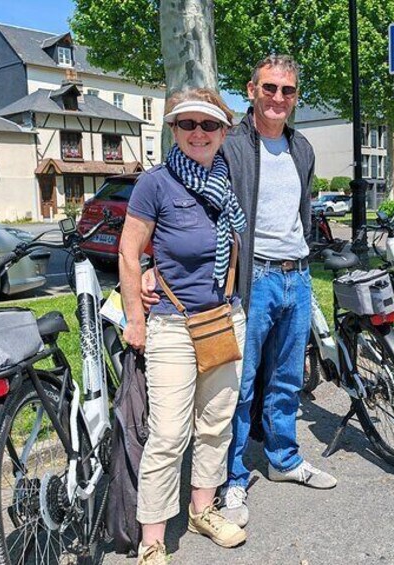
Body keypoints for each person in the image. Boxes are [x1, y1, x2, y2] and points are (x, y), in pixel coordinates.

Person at [142, 55, 337, 529]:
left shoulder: (302, 147)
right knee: (240, 386)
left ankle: (284, 459)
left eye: (287, 91)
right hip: (251, 278)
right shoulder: (230, 144)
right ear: (251, 90)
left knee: (288, 378)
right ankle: (231, 477)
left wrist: (306, 254)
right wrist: (150, 262)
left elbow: (301, 211)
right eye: (269, 88)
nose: (278, 98)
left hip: (297, 274)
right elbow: (181, 203)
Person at [119, 88, 248, 565]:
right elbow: (129, 253)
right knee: (169, 433)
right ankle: (152, 536)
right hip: (173, 324)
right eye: (187, 124)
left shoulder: (228, 179)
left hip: (224, 318)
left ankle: (202, 509)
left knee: (215, 424)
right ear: (172, 129)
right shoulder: (156, 183)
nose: (198, 133)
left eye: (208, 125)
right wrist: (136, 316)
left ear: (223, 133)